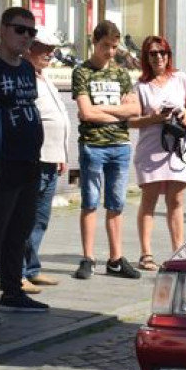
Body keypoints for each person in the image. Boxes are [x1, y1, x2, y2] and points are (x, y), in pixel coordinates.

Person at [0, 6, 48, 323]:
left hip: (30, 160)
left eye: (31, 32)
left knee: (20, 231)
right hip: (3, 162)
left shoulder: (27, 69)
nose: (26, 37)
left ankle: (13, 290)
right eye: (20, 29)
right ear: (3, 29)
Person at [71, 21, 142, 281]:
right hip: (93, 145)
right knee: (90, 201)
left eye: (114, 47)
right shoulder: (82, 72)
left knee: (116, 203)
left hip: (120, 146)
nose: (111, 52)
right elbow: (85, 112)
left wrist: (103, 113)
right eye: (105, 46)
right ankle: (88, 257)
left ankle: (115, 258)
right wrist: (117, 113)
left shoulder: (121, 74)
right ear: (94, 42)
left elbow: (135, 111)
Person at [129, 36, 186, 271]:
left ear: (169, 55)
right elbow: (132, 121)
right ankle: (146, 253)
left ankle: (178, 251)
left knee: (176, 200)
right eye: (153, 53)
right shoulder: (140, 86)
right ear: (146, 58)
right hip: (151, 148)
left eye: (163, 52)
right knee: (149, 201)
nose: (159, 57)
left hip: (176, 148)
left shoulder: (180, 79)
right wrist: (154, 118)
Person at [22, 33, 70, 293]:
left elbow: (57, 117)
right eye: (45, 48)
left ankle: (32, 269)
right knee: (24, 219)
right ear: (31, 48)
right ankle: (17, 273)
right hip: (36, 159)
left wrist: (62, 154)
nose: (50, 54)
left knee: (40, 219)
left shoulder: (45, 77)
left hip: (52, 158)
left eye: (53, 49)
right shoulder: (26, 76)